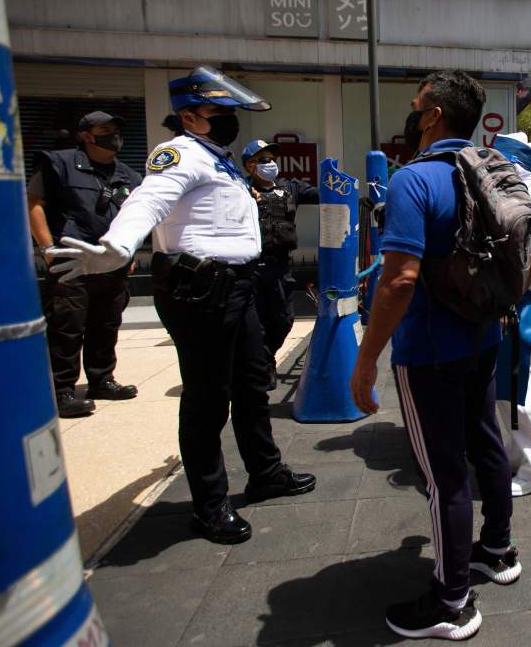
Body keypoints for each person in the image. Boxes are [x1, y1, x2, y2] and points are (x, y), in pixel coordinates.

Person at [48, 67, 316, 544]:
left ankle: (265, 472)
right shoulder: (180, 155)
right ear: (190, 117)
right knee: (207, 401)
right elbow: (148, 201)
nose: (231, 120)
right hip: (202, 289)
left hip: (238, 285)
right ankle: (210, 506)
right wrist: (117, 246)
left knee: (253, 385)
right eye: (221, 112)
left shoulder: (220, 158)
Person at [348, 70, 519, 641]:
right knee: (486, 441)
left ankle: (451, 601)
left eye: (417, 105)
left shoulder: (413, 180)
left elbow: (398, 281)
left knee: (443, 476)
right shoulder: (492, 170)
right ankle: (497, 548)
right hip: (483, 333)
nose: (412, 112)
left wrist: (367, 356)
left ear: (434, 117)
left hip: (428, 350)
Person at [28, 111, 142, 417]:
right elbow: (35, 203)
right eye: (105, 129)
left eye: (117, 129)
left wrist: (128, 253)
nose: (114, 135)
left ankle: (102, 379)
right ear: (86, 135)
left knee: (106, 322)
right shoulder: (60, 163)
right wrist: (47, 248)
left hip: (110, 262)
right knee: (67, 324)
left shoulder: (129, 176)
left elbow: (134, 219)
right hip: (71, 260)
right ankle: (61, 389)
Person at [492, 132, 531, 497]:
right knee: (508, 388)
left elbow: (530, 261)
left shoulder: (528, 199)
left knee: (517, 389)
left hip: (520, 304)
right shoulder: (520, 195)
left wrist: (506, 300)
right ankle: (520, 458)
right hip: (514, 303)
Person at [241, 139, 318, 389]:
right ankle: (264, 365)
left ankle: (264, 356)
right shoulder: (240, 189)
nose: (270, 164)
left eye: (272, 159)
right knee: (258, 320)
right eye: (263, 160)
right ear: (250, 166)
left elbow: (321, 193)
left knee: (284, 318)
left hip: (280, 265)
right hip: (252, 265)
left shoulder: (289, 188)